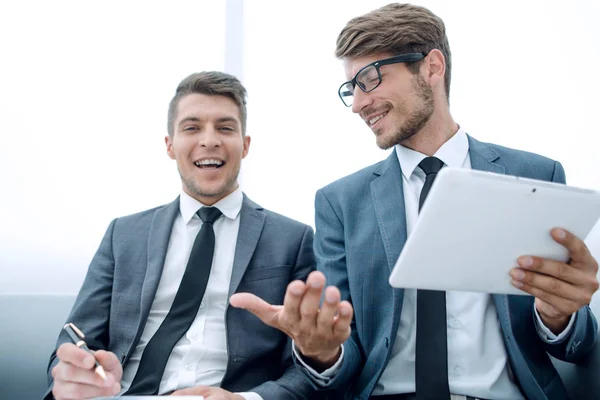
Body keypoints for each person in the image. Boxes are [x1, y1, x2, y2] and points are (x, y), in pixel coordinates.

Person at [230, 3, 599, 400]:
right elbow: (345, 353)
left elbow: (575, 345)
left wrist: (559, 315)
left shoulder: (534, 176)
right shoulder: (340, 203)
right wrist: (322, 352)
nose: (357, 103)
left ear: (432, 67)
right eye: (350, 88)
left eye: (369, 79)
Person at [46, 71, 324, 400]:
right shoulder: (123, 235)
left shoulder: (294, 239)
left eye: (225, 127)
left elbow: (308, 367)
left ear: (245, 145)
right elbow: (74, 341)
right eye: (192, 128)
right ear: (170, 145)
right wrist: (77, 372)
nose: (209, 140)